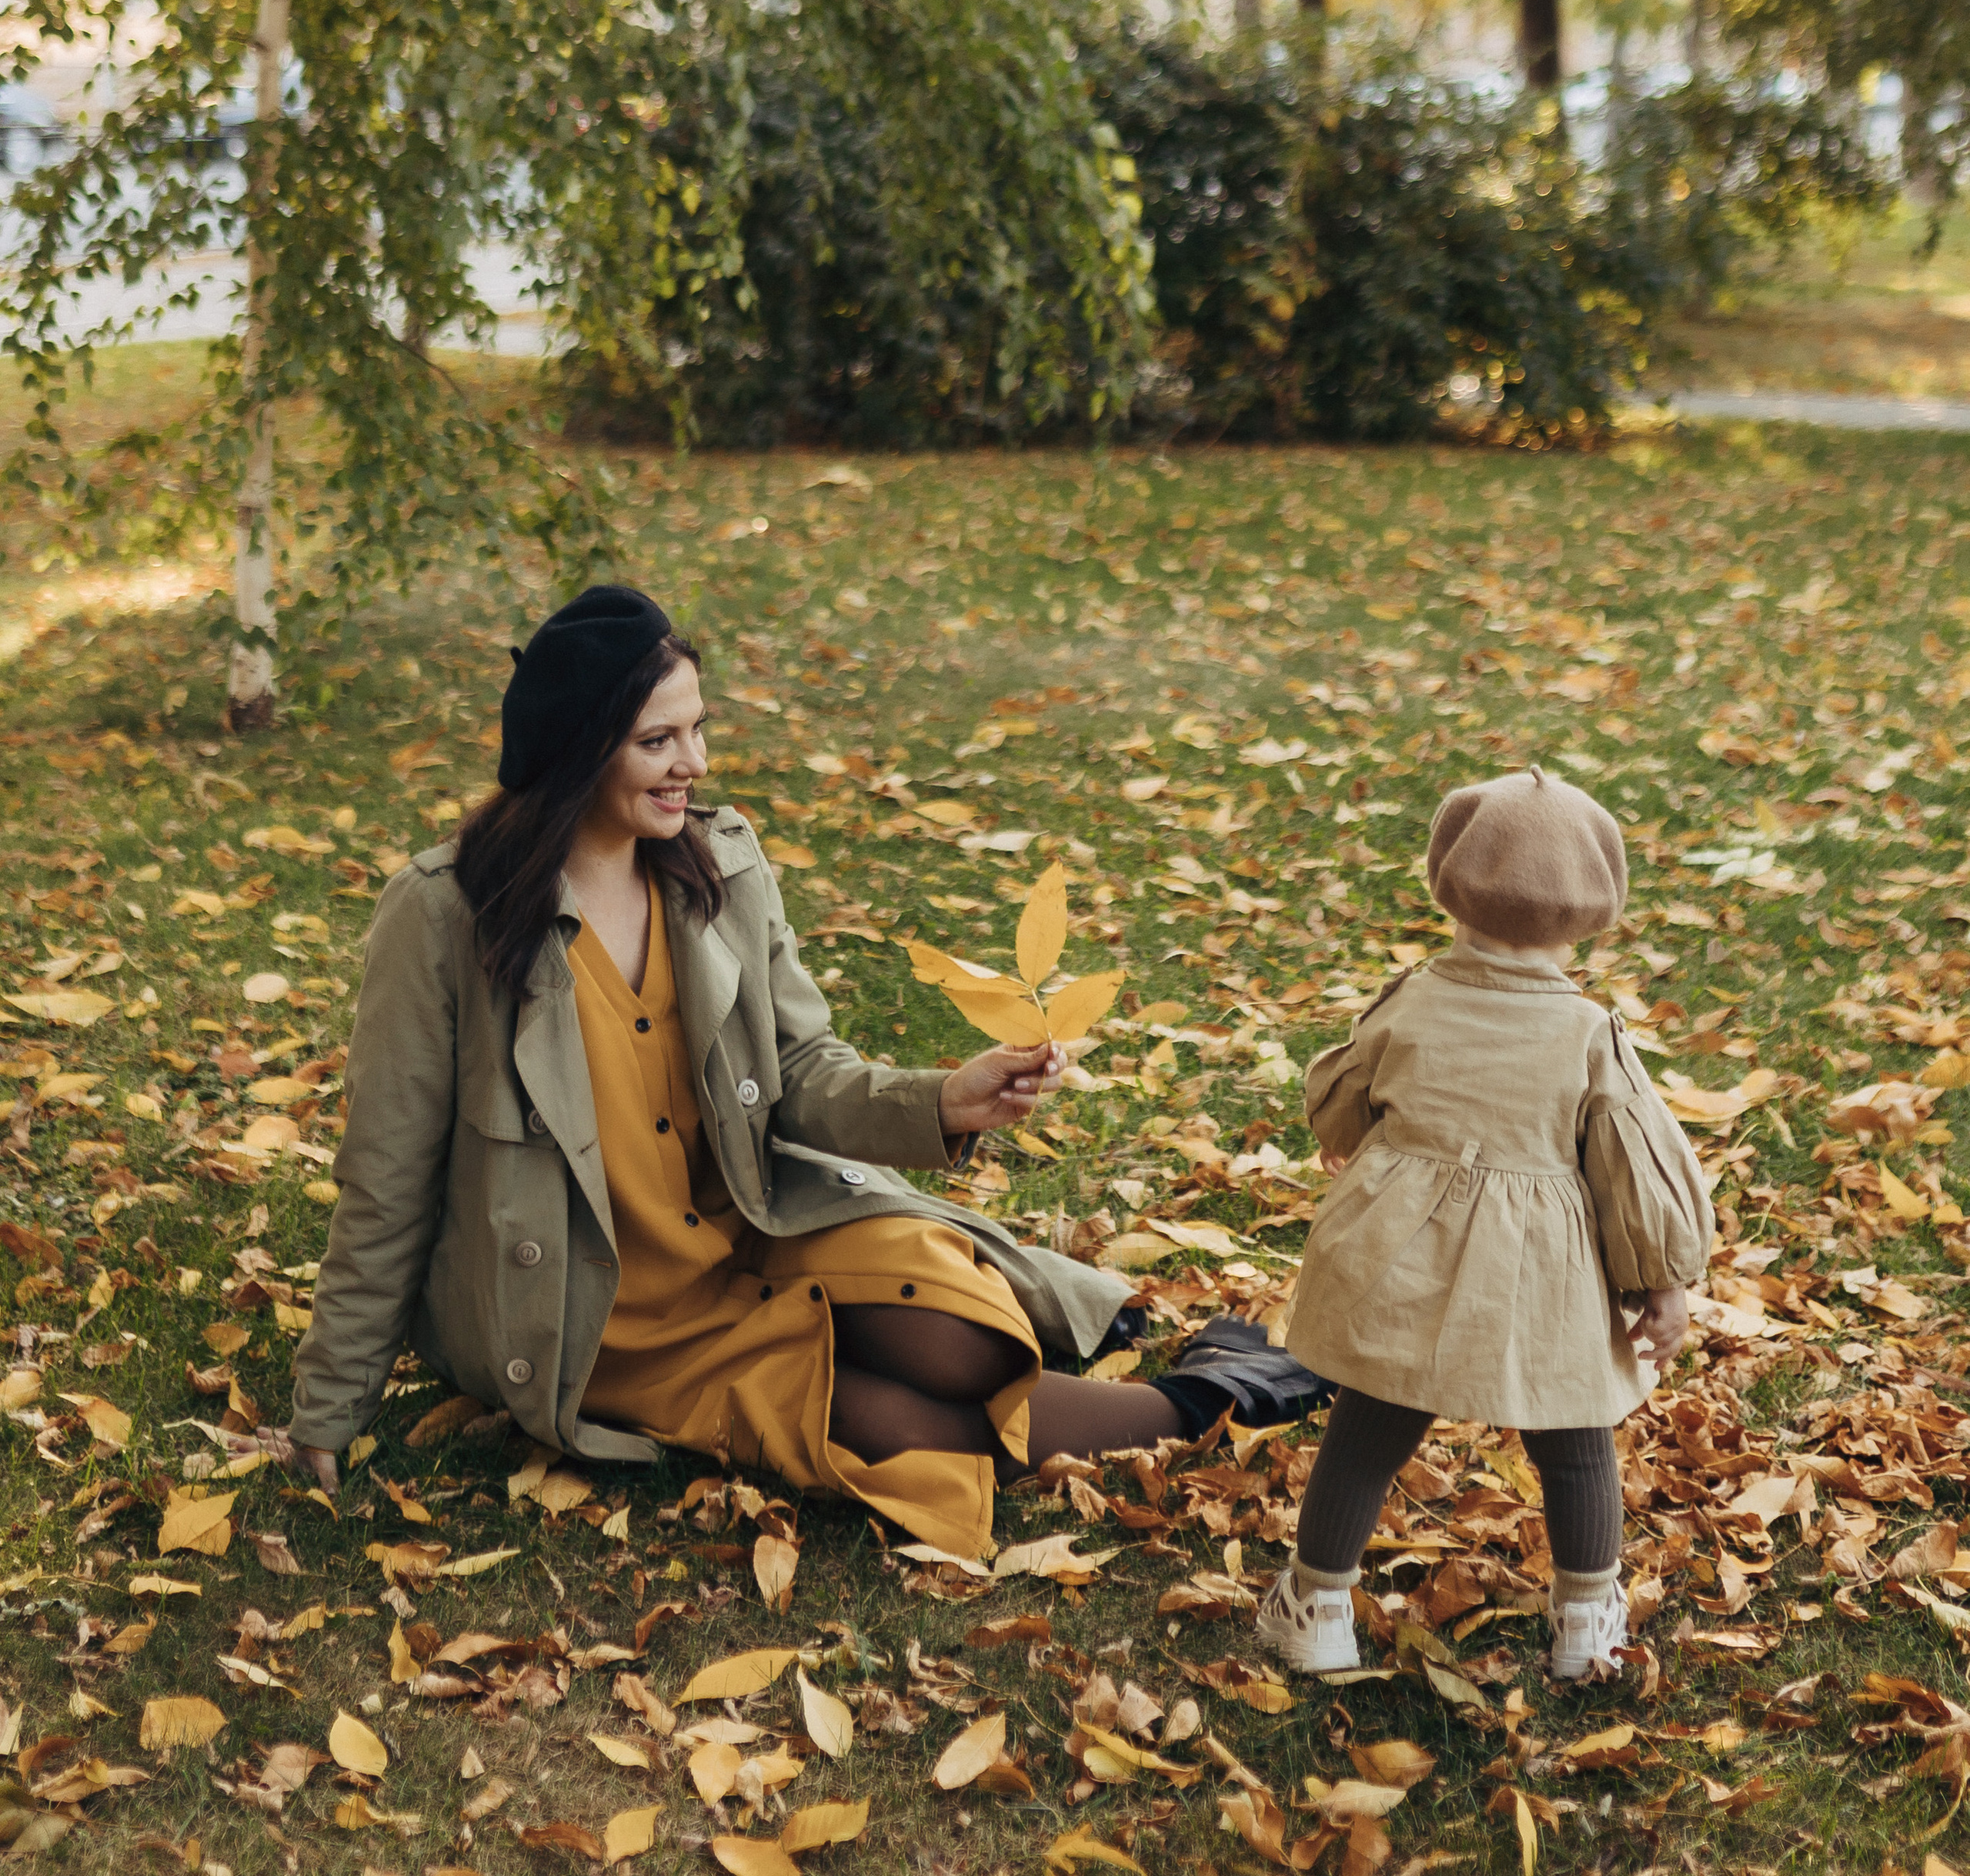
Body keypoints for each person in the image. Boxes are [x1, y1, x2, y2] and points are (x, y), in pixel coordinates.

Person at [288, 586, 1321, 1558]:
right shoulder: (445, 916)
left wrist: (943, 1100)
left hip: (760, 1226)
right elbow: (386, 1179)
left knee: (965, 1345)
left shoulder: (718, 865)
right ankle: (1214, 1397)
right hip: (607, 1322)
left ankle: (1206, 1379)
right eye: (657, 741)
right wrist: (326, 1414)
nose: (694, 763)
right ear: (576, 747)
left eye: (697, 729)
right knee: (905, 1431)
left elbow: (800, 1068)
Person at [1254, 766, 1713, 1684]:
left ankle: (1316, 1606)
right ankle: (1585, 1625)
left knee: (1370, 1424)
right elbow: (1632, 1165)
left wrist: (1360, 1143)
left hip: (1402, 1253)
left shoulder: (1413, 998)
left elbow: (1343, 1099)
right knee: (1575, 1438)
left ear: (1449, 881)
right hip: (1541, 1272)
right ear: (1588, 912)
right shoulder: (1587, 1032)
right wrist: (1663, 1282)